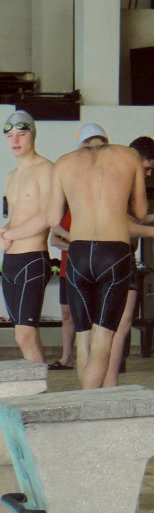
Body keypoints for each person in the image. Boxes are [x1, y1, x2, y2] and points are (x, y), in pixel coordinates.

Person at [46, 122, 147, 389]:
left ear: (81, 144)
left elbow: (53, 218)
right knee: (103, 340)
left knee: (83, 339)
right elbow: (139, 212)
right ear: (106, 140)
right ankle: (88, 404)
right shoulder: (129, 156)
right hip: (114, 253)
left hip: (79, 254)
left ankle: (85, 401)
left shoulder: (64, 162)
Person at [0, 111, 53, 363]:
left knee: (24, 336)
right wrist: (0, 231)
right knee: (28, 335)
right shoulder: (10, 176)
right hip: (10, 263)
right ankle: (40, 386)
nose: (15, 140)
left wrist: (10, 233)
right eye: (10, 136)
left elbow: (49, 216)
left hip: (33, 260)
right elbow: (18, 218)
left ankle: (36, 389)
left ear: (33, 135)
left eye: (21, 134)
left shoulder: (46, 169)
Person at [103, 135, 154, 386]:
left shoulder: (127, 184)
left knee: (121, 325)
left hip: (124, 256)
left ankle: (110, 383)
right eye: (146, 168)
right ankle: (102, 385)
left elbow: (135, 218)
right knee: (106, 327)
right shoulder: (116, 181)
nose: (148, 174)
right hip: (111, 257)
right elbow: (120, 223)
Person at [48, 207, 75, 369]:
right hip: (67, 270)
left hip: (89, 270)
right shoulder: (65, 211)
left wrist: (64, 237)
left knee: (90, 315)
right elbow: (53, 240)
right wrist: (77, 246)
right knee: (66, 314)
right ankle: (66, 358)